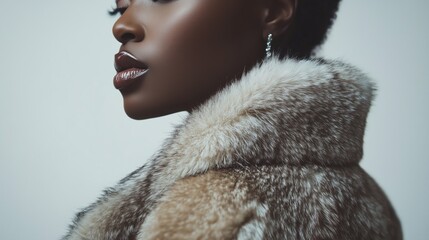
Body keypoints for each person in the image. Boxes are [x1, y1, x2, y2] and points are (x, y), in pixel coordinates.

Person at [62, 0, 402, 239]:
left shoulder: (222, 212)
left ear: (274, 10)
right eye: (120, 7)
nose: (123, 26)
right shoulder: (367, 198)